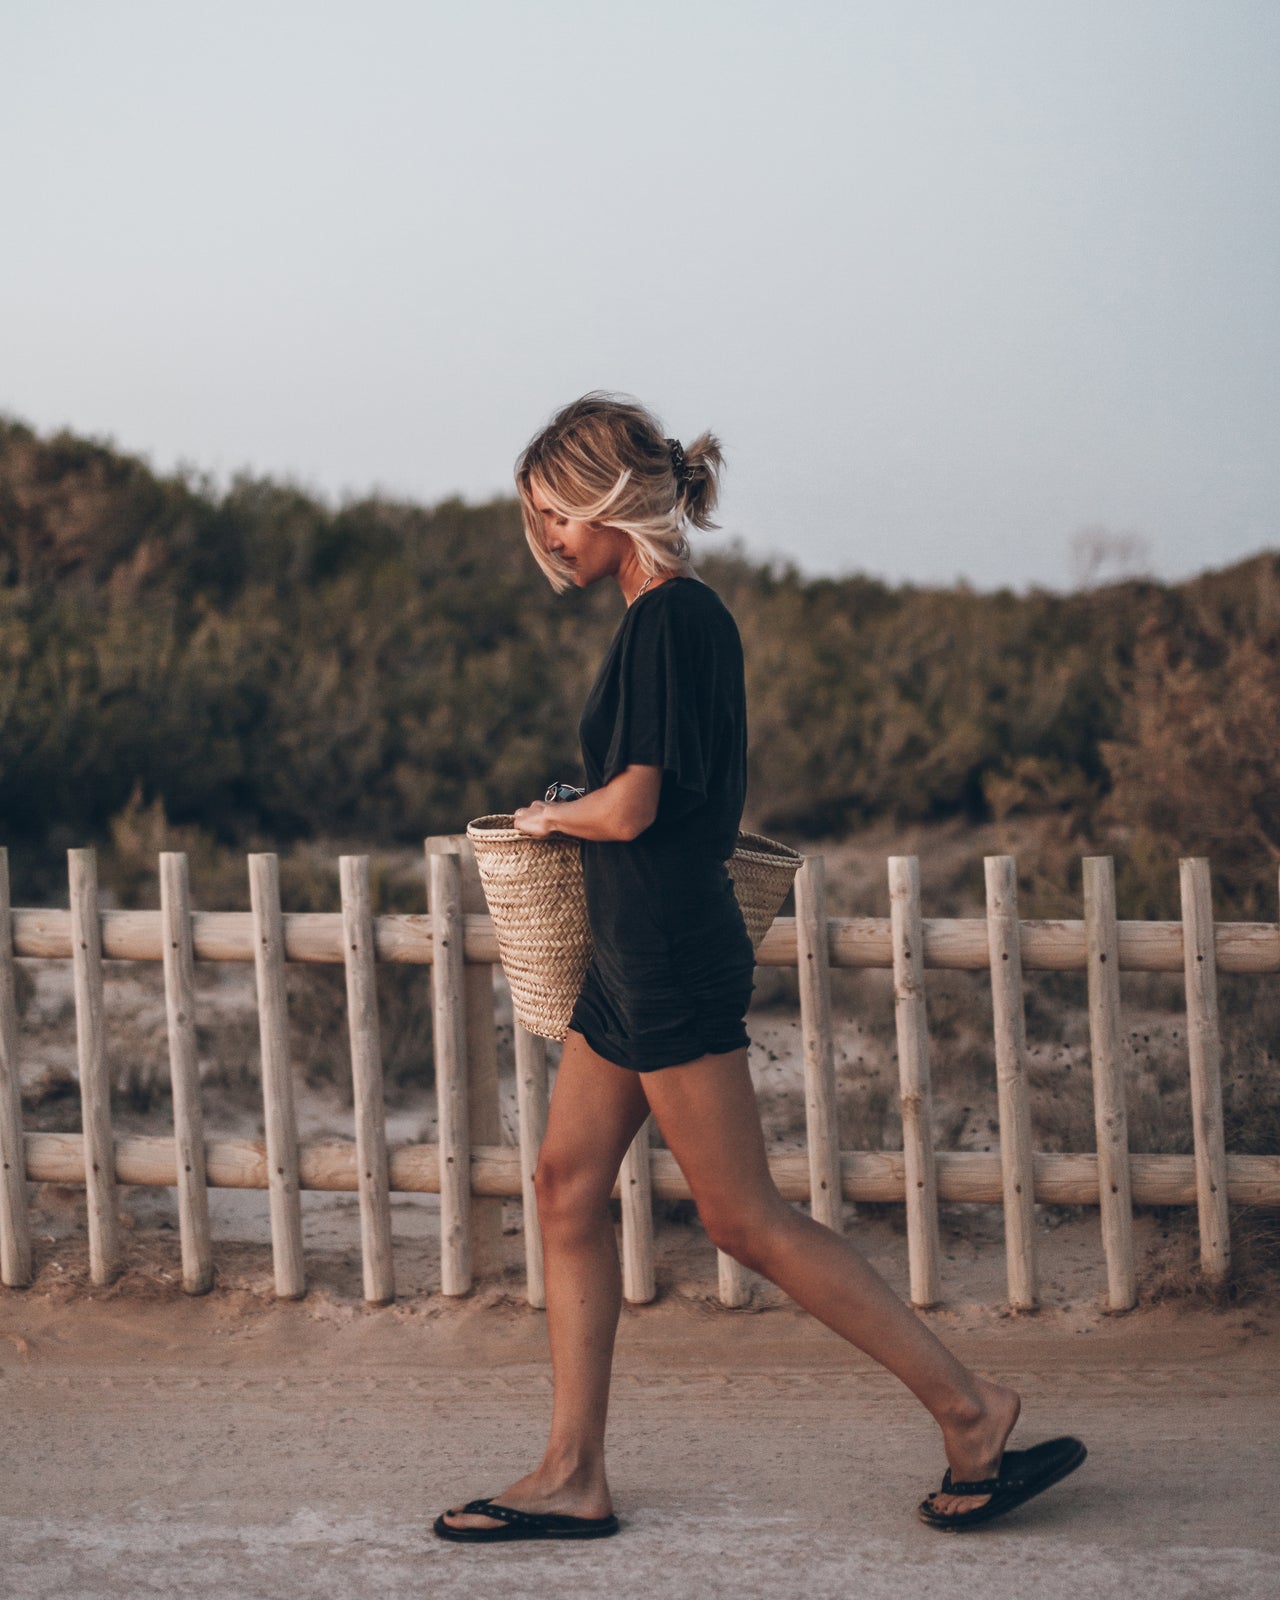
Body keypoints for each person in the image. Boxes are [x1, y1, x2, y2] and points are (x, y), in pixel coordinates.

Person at [434, 394, 1084, 1542]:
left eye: (552, 515)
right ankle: (571, 1472)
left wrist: (548, 822)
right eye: (533, 519)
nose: (542, 539)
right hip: (627, 962)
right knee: (565, 1186)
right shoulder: (658, 618)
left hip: (669, 953)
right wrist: (573, 813)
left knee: (742, 1218)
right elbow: (653, 794)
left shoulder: (671, 620)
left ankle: (972, 1412)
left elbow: (633, 803)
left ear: (604, 504)